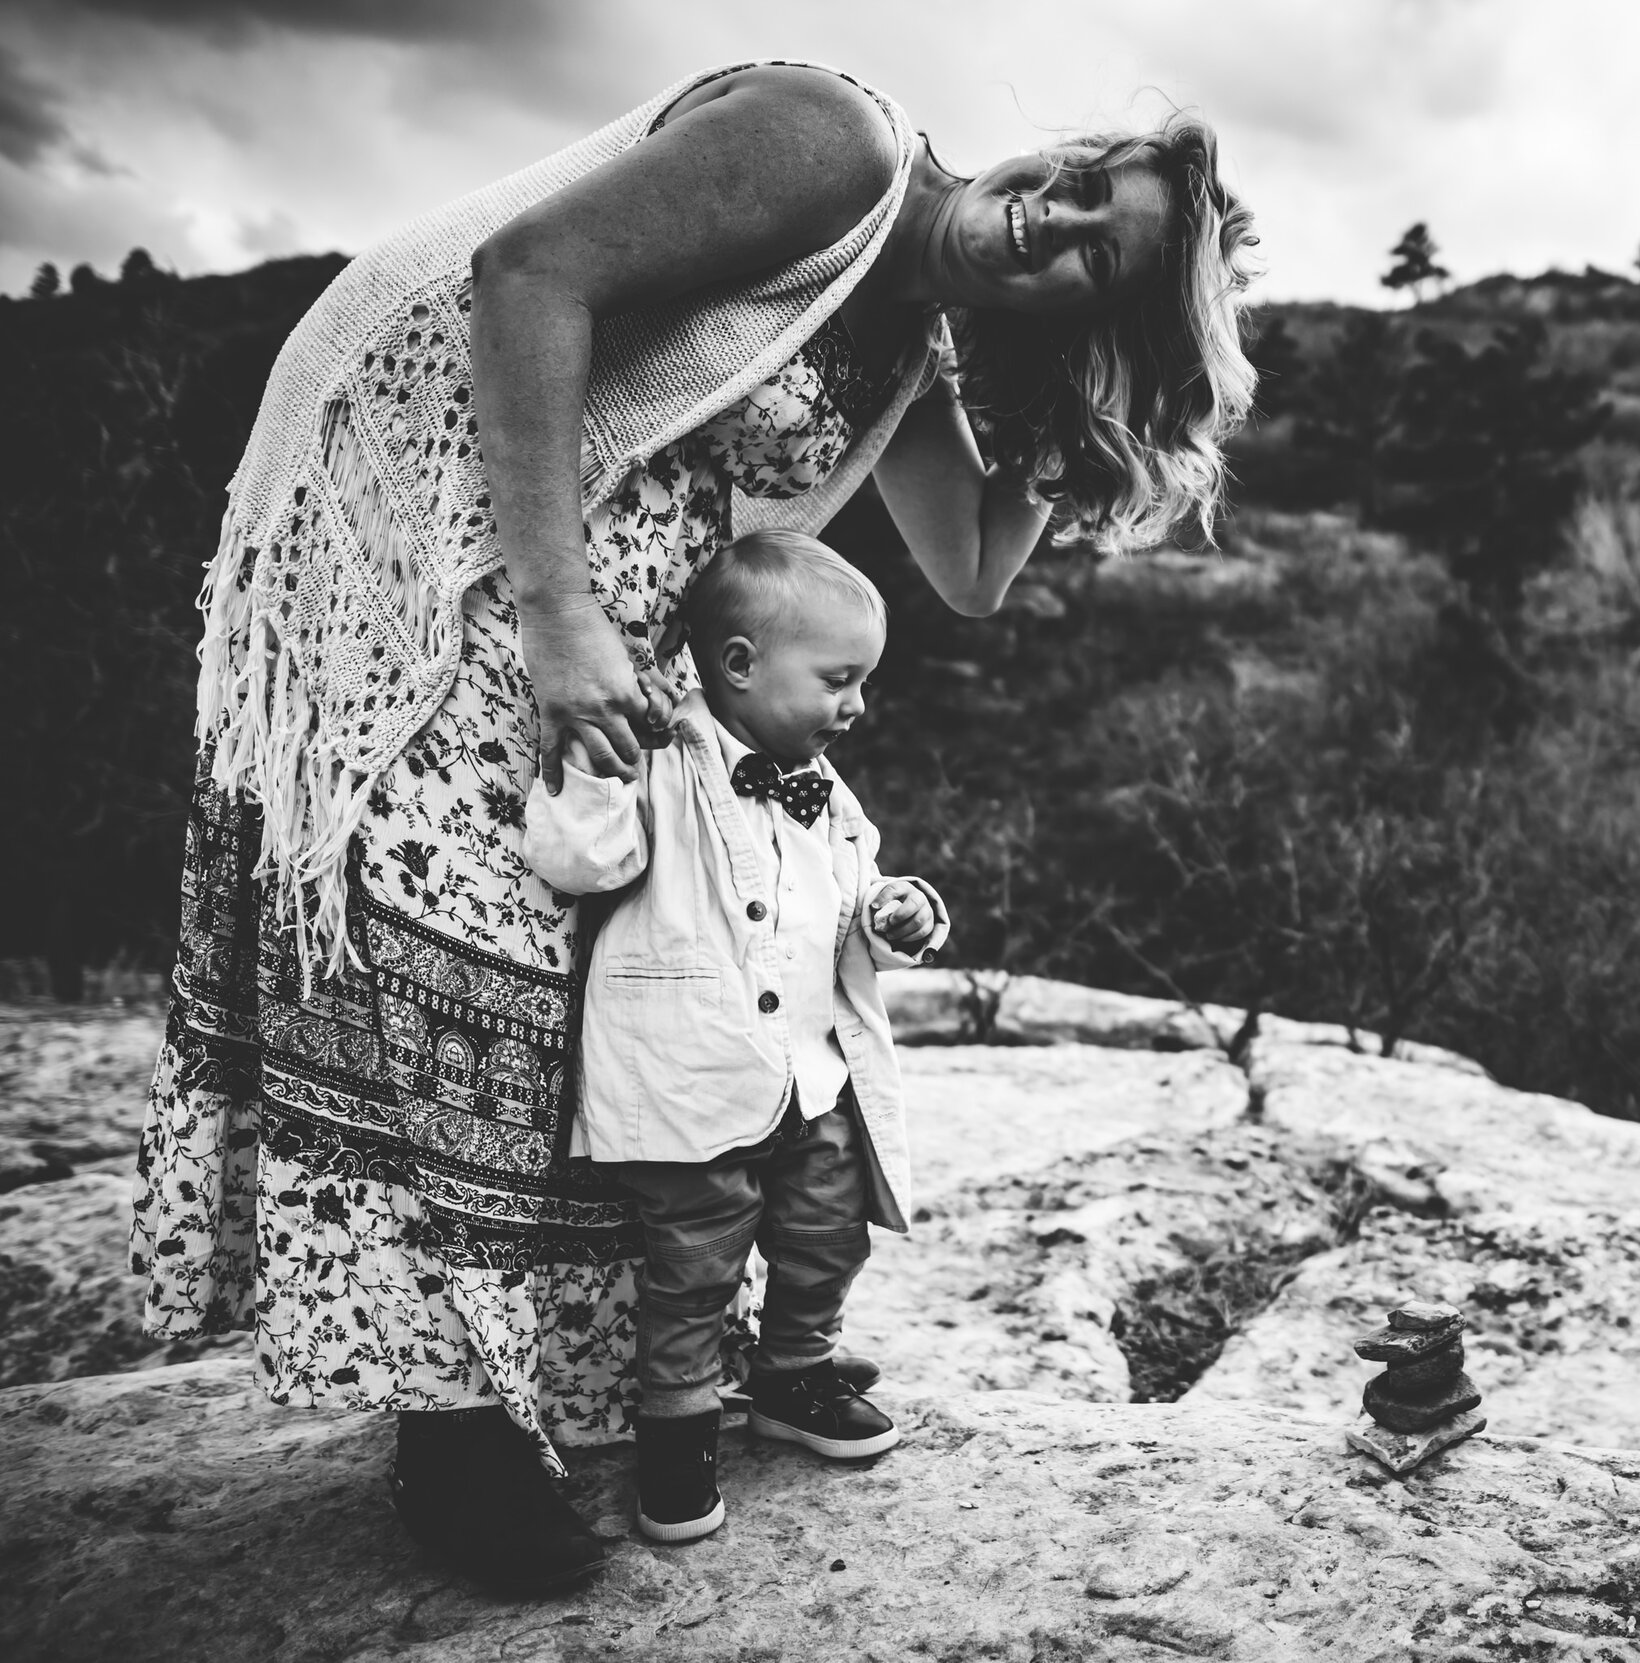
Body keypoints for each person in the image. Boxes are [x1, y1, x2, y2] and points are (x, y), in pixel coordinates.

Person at [133, 59, 1258, 1591]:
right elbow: (528, 274)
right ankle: (453, 1425)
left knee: (593, 954)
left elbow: (974, 565)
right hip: (435, 520)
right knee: (475, 938)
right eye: (1077, 181)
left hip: (565, 578)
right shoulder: (841, 149)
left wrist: (1083, 413)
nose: (1045, 215)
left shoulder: (912, 337)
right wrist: (558, 613)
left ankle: (535, 1372)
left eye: (1093, 254)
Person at [522, 529, 939, 1545]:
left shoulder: (828, 793)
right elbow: (581, 863)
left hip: (809, 1081)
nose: (857, 705)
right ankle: (675, 1436)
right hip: (689, 1087)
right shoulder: (659, 754)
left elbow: (848, 904)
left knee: (830, 1233)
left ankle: (795, 1371)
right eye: (839, 679)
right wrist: (596, 765)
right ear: (742, 665)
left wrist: (894, 912)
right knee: (692, 1271)